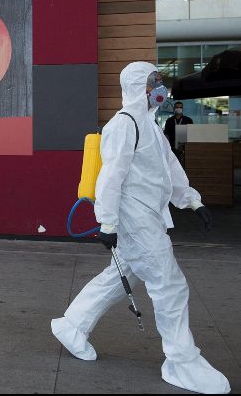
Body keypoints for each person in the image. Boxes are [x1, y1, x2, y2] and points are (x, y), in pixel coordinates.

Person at [51, 62, 230, 394]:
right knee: (170, 285)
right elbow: (110, 177)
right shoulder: (124, 125)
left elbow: (169, 169)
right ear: (138, 87)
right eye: (154, 81)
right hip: (137, 222)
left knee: (121, 277)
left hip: (148, 218)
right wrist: (107, 222)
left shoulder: (149, 125)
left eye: (160, 80)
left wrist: (193, 201)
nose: (160, 87)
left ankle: (72, 325)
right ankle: (181, 362)